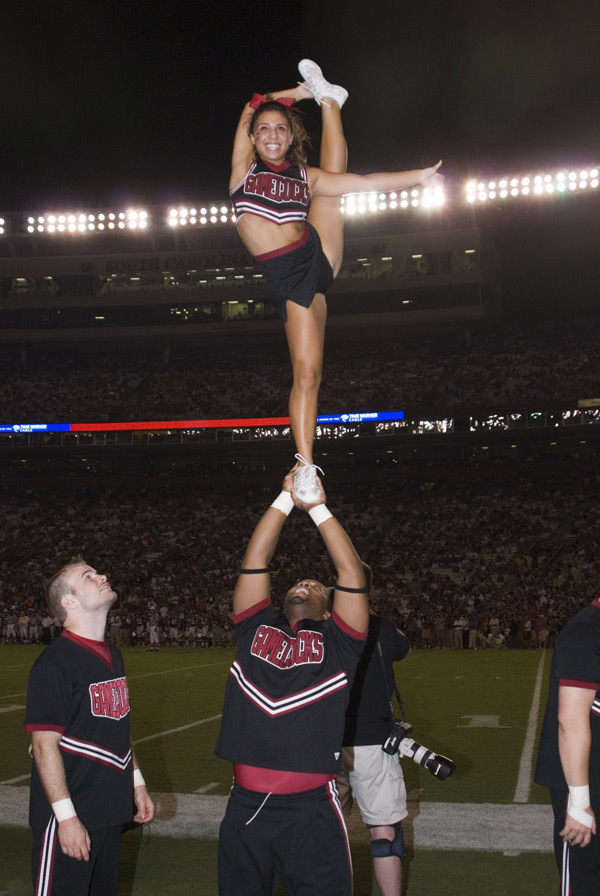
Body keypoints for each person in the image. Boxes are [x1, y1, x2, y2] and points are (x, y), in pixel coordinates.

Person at [230, 59, 443, 503]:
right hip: (289, 277)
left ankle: (333, 101)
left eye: (281, 130)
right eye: (265, 129)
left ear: (290, 137)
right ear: (252, 137)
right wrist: (301, 91)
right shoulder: (243, 174)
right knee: (308, 374)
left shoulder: (304, 178)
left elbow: (363, 182)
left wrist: (419, 178)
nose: (272, 134)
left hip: (317, 250)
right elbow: (254, 107)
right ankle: (324, 94)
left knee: (340, 188)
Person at [215, 465, 369, 896]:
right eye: (299, 580)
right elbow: (255, 561)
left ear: (329, 607)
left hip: (312, 810)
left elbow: (352, 576)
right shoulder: (255, 626)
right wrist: (284, 499)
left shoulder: (341, 641)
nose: (304, 582)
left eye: (316, 584)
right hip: (245, 806)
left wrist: (318, 508)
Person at [24, 558, 154, 896]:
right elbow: (42, 746)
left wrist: (136, 783)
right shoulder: (53, 665)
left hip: (109, 812)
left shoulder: (113, 653)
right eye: (88, 576)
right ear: (69, 601)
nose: (102, 576)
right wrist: (66, 819)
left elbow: (117, 723)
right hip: (71, 815)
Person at [336, 564, 411, 896]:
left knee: (319, 830)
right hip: (372, 743)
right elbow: (403, 648)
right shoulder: (383, 627)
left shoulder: (327, 627)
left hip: (327, 742)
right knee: (385, 832)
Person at [534, 597, 600, 895]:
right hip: (587, 779)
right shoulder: (586, 631)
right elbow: (570, 720)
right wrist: (580, 802)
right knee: (585, 882)